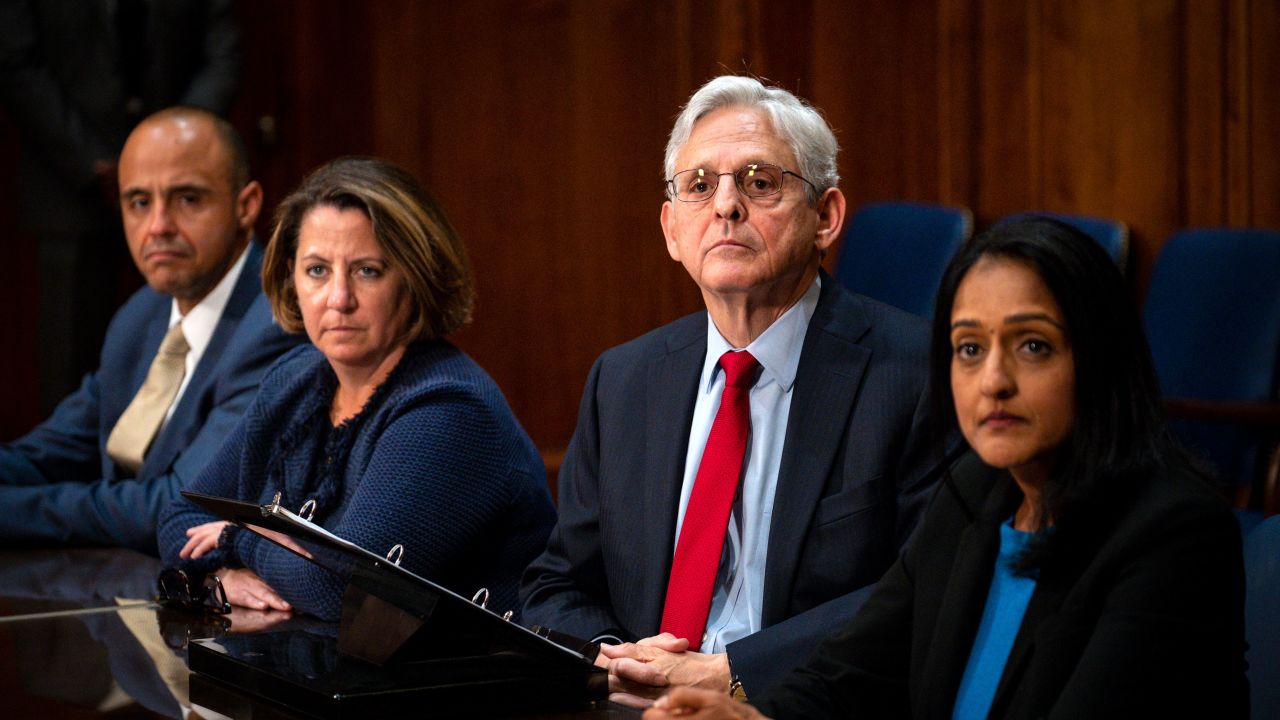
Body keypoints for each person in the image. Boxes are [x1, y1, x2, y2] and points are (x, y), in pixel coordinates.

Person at [645, 218, 1249, 719]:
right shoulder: (976, 494)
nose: (994, 382)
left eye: (1032, 346)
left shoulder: (1174, 533)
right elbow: (848, 673)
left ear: (1099, 359)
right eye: (969, 349)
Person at [520, 75, 952, 705]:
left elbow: (925, 589)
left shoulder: (913, 374)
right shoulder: (623, 381)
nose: (725, 205)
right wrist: (616, 659)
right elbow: (556, 585)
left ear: (827, 217)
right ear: (671, 230)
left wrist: (732, 675)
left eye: (759, 182)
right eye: (700, 187)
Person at [158, 156, 557, 621]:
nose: (339, 298)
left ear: (414, 278)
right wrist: (221, 576)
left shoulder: (448, 407)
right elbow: (177, 521)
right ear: (291, 279)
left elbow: (342, 591)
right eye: (317, 271)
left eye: (368, 270)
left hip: (467, 682)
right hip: (320, 669)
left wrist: (235, 538)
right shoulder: (297, 378)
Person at [0, 106, 299, 552]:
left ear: (246, 205)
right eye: (139, 202)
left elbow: (180, 504)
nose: (158, 226)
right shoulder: (141, 314)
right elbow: (50, 453)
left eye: (187, 199)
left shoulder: (277, 322)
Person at [0, 0, 241, 413]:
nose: (155, 224)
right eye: (140, 201)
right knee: (70, 379)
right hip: (70, 184)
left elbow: (222, 55)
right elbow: (16, 61)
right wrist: (94, 165)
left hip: (185, 164)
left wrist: (170, 146)